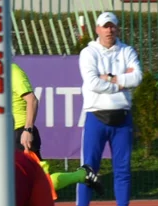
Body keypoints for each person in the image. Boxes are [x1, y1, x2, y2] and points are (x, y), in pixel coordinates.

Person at [76, 11, 142, 206]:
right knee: (89, 169)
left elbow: (138, 77)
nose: (109, 30)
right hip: (96, 116)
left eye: (112, 26)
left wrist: (112, 78)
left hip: (122, 117)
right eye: (105, 26)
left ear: (117, 28)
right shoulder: (88, 52)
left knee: (122, 168)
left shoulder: (127, 51)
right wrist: (122, 82)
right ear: (97, 29)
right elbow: (93, 82)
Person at [13, 60, 103, 197]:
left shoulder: (12, 71)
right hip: (5, 137)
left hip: (20, 135)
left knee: (42, 184)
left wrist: (27, 130)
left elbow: (32, 100)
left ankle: (82, 175)